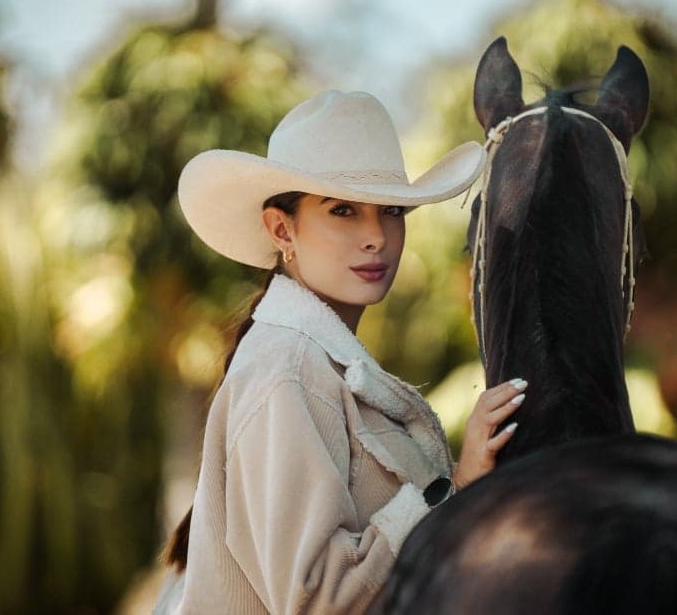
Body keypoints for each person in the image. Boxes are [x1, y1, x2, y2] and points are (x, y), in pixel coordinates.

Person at [154, 90, 527, 614]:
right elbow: (319, 601)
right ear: (282, 229)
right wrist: (455, 486)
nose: (376, 236)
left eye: (392, 210)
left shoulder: (314, 360)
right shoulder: (288, 370)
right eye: (343, 210)